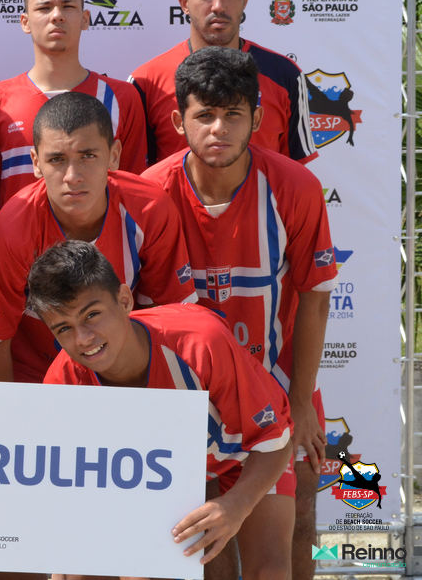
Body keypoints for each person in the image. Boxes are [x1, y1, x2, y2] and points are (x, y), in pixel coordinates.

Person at [142, 46, 337, 580]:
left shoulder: (295, 187)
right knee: (203, 549)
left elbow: (316, 295)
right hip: (185, 400)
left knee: (281, 547)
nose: (219, 129)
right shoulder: (151, 193)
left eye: (233, 115)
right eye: (205, 115)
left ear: (258, 118)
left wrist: (301, 397)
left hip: (274, 389)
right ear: (179, 121)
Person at [34, 241, 295, 579]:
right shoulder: (62, 383)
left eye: (91, 315)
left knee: (269, 571)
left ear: (125, 301)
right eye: (64, 329)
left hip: (245, 452)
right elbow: (76, 497)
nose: (83, 338)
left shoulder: (200, 341)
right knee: (130, 572)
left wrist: (235, 506)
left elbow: (274, 442)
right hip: (160, 475)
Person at [0, 92, 195, 384]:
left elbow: (173, 318)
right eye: (56, 159)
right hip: (36, 378)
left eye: (88, 156)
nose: (72, 176)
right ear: (36, 163)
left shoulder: (149, 209)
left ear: (113, 155)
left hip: (123, 371)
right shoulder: (12, 230)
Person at [129, 0, 315, 166]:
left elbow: (294, 173)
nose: (218, 5)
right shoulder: (146, 81)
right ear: (184, 4)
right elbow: (137, 177)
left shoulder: (285, 75)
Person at [0, 0, 146, 206]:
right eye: (44, 8)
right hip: (22, 242)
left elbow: (133, 188)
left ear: (85, 18)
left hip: (98, 242)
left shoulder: (122, 97)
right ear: (25, 22)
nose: (57, 15)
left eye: (67, 6)